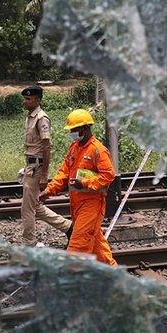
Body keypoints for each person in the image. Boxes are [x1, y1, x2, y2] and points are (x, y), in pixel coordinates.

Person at [39, 109, 117, 266]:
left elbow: (108, 176)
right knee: (97, 247)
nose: (72, 133)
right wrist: (49, 190)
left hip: (92, 205)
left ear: (85, 129)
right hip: (77, 205)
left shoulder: (97, 150)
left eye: (74, 130)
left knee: (77, 247)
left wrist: (85, 183)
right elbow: (64, 172)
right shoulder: (74, 147)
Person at [20, 85, 73, 246]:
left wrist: (44, 174)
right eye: (25, 98)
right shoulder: (30, 117)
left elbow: (46, 147)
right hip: (30, 166)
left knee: (27, 209)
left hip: (36, 168)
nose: (25, 101)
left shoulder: (42, 118)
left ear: (37, 100)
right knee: (35, 206)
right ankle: (69, 227)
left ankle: (29, 243)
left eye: (28, 99)